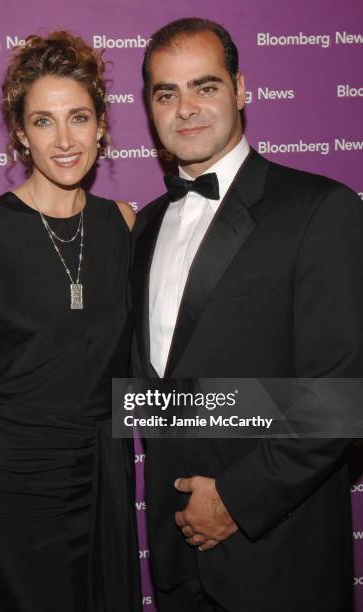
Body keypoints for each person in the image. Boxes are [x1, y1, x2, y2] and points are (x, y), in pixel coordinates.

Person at [130, 17, 363, 612]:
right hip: (176, 557)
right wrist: (6, 380)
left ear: (241, 89)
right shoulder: (144, 225)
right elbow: (146, 383)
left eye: (204, 87)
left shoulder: (321, 210)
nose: (186, 108)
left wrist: (235, 499)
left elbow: (338, 396)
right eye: (166, 93)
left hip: (278, 553)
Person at [0, 31, 141, 612]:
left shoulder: (124, 223)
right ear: (21, 135)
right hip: (12, 480)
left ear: (101, 125)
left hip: (103, 475)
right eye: (43, 122)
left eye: (78, 117)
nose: (65, 140)